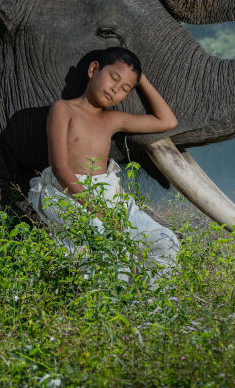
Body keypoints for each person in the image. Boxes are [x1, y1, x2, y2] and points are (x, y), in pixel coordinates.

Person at [28, 47, 180, 278]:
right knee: (105, 245)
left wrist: (142, 79)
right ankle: (107, 307)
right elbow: (60, 167)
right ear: (93, 69)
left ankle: (149, 308)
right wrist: (97, 211)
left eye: (125, 89)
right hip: (68, 194)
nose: (115, 89)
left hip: (109, 198)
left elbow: (167, 121)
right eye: (114, 78)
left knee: (166, 241)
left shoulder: (112, 119)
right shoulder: (63, 109)